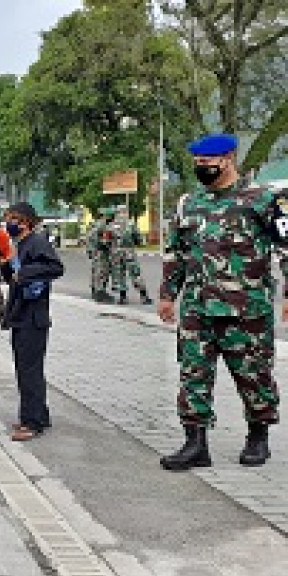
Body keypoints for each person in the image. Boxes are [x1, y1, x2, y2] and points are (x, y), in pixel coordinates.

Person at [158, 133, 287, 471]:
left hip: (246, 309)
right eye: (198, 164)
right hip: (197, 309)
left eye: (208, 164)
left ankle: (258, 437)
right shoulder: (189, 203)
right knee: (193, 374)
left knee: (253, 374)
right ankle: (195, 443)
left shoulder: (261, 200)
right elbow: (177, 252)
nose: (202, 169)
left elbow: (286, 247)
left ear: (228, 159)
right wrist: (168, 294)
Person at [0, 202, 65, 441]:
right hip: (20, 315)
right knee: (27, 369)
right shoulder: (19, 245)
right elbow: (11, 278)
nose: (9, 224)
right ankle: (38, 415)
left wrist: (24, 273)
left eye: (12, 219)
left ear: (25, 221)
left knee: (29, 371)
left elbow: (56, 267)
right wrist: (6, 263)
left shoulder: (37, 242)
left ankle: (32, 422)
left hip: (33, 318)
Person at [109, 205, 153, 305]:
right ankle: (144, 296)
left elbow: (107, 240)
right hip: (129, 252)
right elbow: (138, 239)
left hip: (116, 253)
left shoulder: (111, 226)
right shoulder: (131, 224)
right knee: (135, 274)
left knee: (120, 275)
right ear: (125, 212)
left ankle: (122, 297)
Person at [87, 209, 116, 303]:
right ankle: (100, 293)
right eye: (112, 216)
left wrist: (90, 250)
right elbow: (102, 239)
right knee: (102, 271)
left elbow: (89, 238)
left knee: (96, 271)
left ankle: (95, 291)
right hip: (101, 251)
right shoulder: (103, 225)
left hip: (95, 251)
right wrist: (106, 245)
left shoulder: (95, 224)